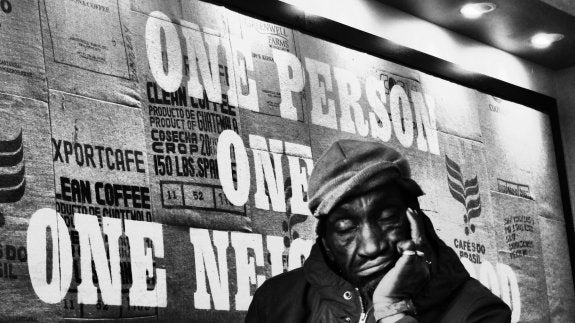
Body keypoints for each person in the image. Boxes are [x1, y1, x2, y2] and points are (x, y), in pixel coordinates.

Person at [245, 139, 511, 323]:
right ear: (325, 240)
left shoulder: (477, 312)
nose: (372, 246)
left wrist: (393, 307)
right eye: (346, 227)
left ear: (414, 218)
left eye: (386, 218)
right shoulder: (276, 303)